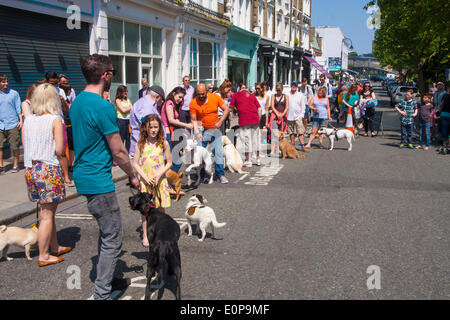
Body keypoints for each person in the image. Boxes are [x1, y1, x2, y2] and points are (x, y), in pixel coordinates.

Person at [69, 54, 139, 300]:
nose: (113, 76)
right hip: (98, 179)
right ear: (105, 75)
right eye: (112, 71)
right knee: (113, 237)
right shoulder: (102, 106)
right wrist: (133, 175)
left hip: (83, 175)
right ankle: (102, 294)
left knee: (106, 231)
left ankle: (108, 279)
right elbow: (119, 151)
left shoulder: (77, 102)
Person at [22, 83, 70, 267]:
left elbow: (26, 146)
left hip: (31, 168)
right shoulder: (54, 120)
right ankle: (44, 254)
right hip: (48, 168)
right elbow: (59, 149)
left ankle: (54, 246)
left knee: (47, 212)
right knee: (47, 214)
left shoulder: (29, 120)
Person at [132, 114, 172, 247]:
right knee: (145, 211)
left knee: (160, 209)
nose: (154, 130)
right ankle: (145, 235)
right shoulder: (140, 144)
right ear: (146, 128)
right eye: (151, 127)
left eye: (156, 127)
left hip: (160, 181)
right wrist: (144, 176)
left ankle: (161, 233)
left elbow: (169, 162)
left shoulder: (163, 143)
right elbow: (135, 163)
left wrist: (160, 174)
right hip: (146, 181)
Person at [190, 83, 230, 184]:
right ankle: (201, 175)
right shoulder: (193, 103)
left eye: (203, 94)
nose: (201, 96)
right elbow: (194, 120)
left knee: (218, 152)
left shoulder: (215, 97)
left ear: (207, 92)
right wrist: (197, 133)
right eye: (199, 94)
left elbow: (226, 109)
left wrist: (220, 122)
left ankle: (221, 174)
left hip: (214, 128)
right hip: (201, 129)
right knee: (199, 153)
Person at [46, 71, 73, 186]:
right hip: (47, 122)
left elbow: (66, 109)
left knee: (61, 150)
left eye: (55, 83)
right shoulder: (44, 91)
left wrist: (63, 102)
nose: (54, 85)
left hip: (60, 122)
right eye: (51, 83)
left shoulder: (60, 91)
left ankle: (66, 176)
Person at [161, 86, 192, 173]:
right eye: (180, 97)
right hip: (168, 134)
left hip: (172, 133)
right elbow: (171, 120)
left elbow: (175, 120)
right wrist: (186, 125)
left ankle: (168, 180)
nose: (181, 100)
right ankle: (168, 180)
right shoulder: (169, 103)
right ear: (174, 94)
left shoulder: (173, 104)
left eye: (182, 98)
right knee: (175, 160)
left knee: (174, 160)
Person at [229, 83, 262, 167]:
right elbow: (259, 108)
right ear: (246, 89)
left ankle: (248, 160)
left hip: (244, 120)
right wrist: (259, 119)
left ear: (239, 89)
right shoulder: (251, 95)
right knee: (256, 139)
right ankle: (258, 159)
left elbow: (230, 108)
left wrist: (230, 117)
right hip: (255, 119)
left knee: (247, 140)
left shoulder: (235, 95)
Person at [129, 85, 165, 157]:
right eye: (162, 99)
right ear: (157, 97)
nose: (162, 102)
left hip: (146, 149)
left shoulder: (143, 103)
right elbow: (149, 128)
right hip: (146, 151)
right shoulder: (146, 106)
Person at [0, 74, 23, 174]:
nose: (6, 83)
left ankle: (15, 164)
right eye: (3, 81)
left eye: (7, 81)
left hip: (13, 123)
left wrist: (21, 120)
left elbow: (18, 108)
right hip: (0, 124)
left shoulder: (14, 93)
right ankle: (1, 166)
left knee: (15, 146)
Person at [268, 82, 289, 157]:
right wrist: (277, 113)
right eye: (277, 90)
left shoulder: (286, 96)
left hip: (283, 117)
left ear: (282, 90)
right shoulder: (273, 96)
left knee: (281, 134)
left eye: (279, 90)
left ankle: (279, 149)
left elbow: (287, 107)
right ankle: (273, 150)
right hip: (275, 116)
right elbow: (272, 106)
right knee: (274, 133)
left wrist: (282, 114)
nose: (278, 92)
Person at [287, 82, 309, 153]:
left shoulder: (300, 95)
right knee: (291, 132)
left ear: (297, 87)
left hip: (298, 116)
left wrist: (302, 115)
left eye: (295, 86)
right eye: (292, 85)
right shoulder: (287, 94)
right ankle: (292, 145)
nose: (293, 87)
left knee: (300, 131)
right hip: (289, 116)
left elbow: (303, 106)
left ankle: (303, 146)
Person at [115, 85, 132, 152]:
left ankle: (127, 152)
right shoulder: (118, 100)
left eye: (126, 91)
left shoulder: (128, 100)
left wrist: (127, 109)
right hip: (121, 120)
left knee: (128, 137)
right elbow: (123, 110)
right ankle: (121, 152)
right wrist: (129, 108)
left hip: (128, 120)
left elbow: (131, 108)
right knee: (121, 137)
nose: (126, 93)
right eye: (124, 91)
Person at [437, 85, 450, 154]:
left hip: (444, 114)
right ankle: (447, 146)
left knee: (444, 130)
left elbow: (441, 104)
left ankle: (445, 145)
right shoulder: (445, 95)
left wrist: (438, 111)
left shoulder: (445, 95)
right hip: (445, 114)